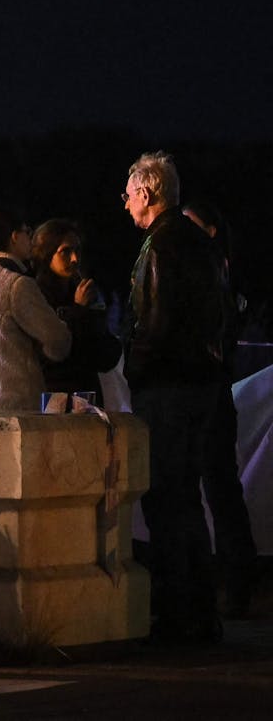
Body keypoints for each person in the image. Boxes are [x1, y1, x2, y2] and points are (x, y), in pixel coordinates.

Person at [121, 151, 228, 643]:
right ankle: (201, 612)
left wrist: (133, 372)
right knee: (187, 500)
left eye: (128, 194)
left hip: (167, 389)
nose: (125, 205)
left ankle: (178, 615)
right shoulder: (201, 245)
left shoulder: (160, 246)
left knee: (167, 500)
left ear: (146, 193)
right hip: (202, 385)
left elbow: (156, 325)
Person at [182, 200, 257, 616]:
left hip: (211, 391)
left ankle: (235, 582)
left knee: (220, 487)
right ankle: (224, 580)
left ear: (210, 231)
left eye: (192, 225)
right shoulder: (210, 272)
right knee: (216, 487)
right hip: (211, 390)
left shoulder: (218, 273)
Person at [0, 208, 71, 410]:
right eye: (27, 232)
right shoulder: (17, 284)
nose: (31, 239)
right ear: (15, 237)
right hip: (17, 406)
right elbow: (58, 342)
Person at [30, 219, 122, 395]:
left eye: (77, 250)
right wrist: (78, 310)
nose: (74, 259)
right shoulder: (35, 294)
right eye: (65, 252)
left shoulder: (82, 290)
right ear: (46, 253)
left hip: (86, 394)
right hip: (54, 395)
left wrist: (96, 317)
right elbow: (50, 353)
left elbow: (106, 357)